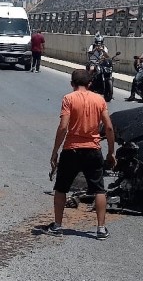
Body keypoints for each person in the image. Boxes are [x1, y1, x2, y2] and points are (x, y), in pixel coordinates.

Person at [48, 67, 116, 239]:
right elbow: (108, 127)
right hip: (93, 149)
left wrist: (55, 152)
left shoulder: (68, 99)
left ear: (72, 84)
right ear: (90, 83)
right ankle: (101, 229)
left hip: (72, 149)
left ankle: (57, 225)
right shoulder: (99, 100)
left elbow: (63, 127)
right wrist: (111, 152)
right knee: (99, 189)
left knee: (61, 188)